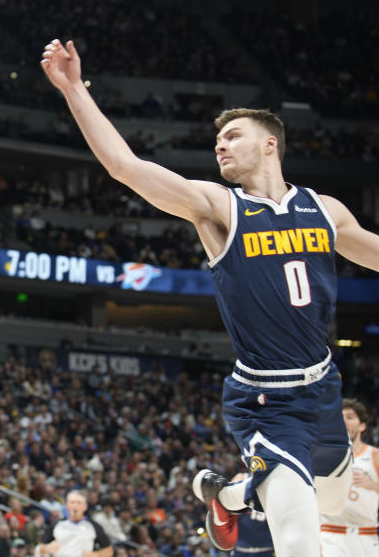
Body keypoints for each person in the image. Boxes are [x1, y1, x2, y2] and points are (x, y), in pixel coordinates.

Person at [40, 39, 377, 556]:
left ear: (270, 145)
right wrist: (73, 90)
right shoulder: (220, 208)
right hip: (266, 399)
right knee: (301, 536)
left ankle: (228, 493)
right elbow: (125, 167)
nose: (220, 145)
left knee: (332, 493)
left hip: (324, 384)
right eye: (217, 139)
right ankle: (251, 488)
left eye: (233, 136)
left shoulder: (324, 209)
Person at [319, 399, 379, 556]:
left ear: (362, 426)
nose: (344, 421)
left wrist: (372, 485)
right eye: (340, 417)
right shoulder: (320, 456)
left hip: (367, 535)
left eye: (350, 417)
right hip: (331, 534)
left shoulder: (374, 455)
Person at [34, 490, 112, 557]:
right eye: (72, 502)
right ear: (67, 505)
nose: (75, 506)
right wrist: (47, 549)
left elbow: (109, 550)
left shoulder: (93, 526)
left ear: (85, 506)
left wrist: (95, 555)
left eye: (79, 503)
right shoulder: (57, 525)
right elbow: (40, 548)